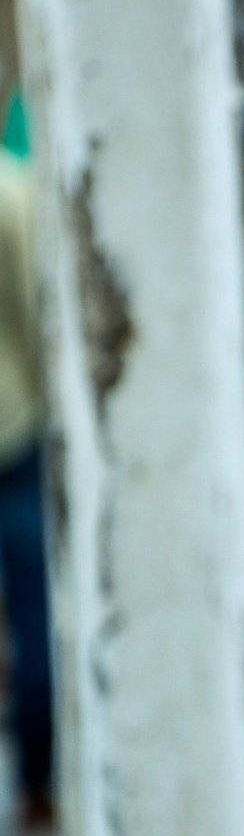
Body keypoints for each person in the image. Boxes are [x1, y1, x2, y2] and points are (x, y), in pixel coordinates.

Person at [0, 117, 52, 829]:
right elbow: (36, 312)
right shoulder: (10, 193)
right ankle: (39, 786)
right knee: (37, 615)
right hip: (13, 429)